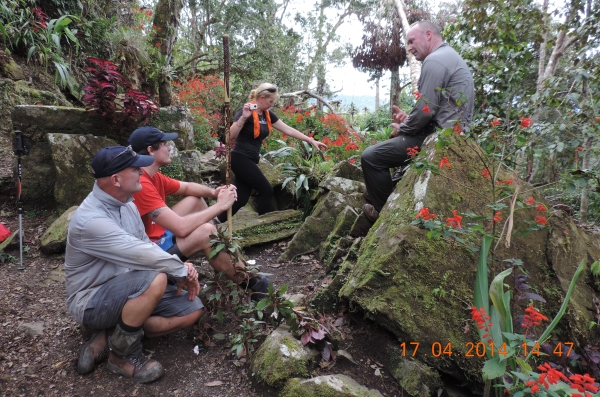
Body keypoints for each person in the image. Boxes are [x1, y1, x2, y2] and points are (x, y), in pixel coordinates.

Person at [65, 145, 203, 383]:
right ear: (116, 179)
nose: (142, 171)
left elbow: (146, 246)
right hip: (93, 301)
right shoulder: (91, 220)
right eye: (135, 168)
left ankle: (109, 336)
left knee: (192, 310)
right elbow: (141, 254)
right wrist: (179, 270)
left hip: (132, 288)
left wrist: (182, 268)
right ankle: (122, 356)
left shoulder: (127, 203)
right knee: (156, 278)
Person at [127, 126, 269, 299]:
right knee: (207, 232)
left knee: (195, 201)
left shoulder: (150, 174)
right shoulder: (140, 183)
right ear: (150, 150)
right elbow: (180, 229)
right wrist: (220, 206)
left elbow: (186, 187)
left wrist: (214, 193)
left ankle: (225, 261)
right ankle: (253, 285)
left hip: (155, 237)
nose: (169, 147)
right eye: (164, 144)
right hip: (148, 256)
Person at [361, 21, 474, 222]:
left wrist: (403, 128)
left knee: (370, 157)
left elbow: (425, 112)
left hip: (439, 138)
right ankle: (385, 192)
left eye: (412, 41)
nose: (409, 48)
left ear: (428, 35)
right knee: (397, 159)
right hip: (453, 134)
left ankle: (384, 216)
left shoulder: (434, 60)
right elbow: (433, 108)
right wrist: (409, 120)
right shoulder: (449, 56)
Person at [216, 83, 327, 222]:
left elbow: (288, 130)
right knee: (266, 190)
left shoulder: (267, 115)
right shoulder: (246, 111)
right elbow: (229, 137)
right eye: (270, 101)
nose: (272, 104)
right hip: (240, 158)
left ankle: (214, 222)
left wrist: (311, 141)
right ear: (261, 98)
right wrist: (243, 118)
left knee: (241, 199)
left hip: (250, 159)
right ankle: (265, 225)